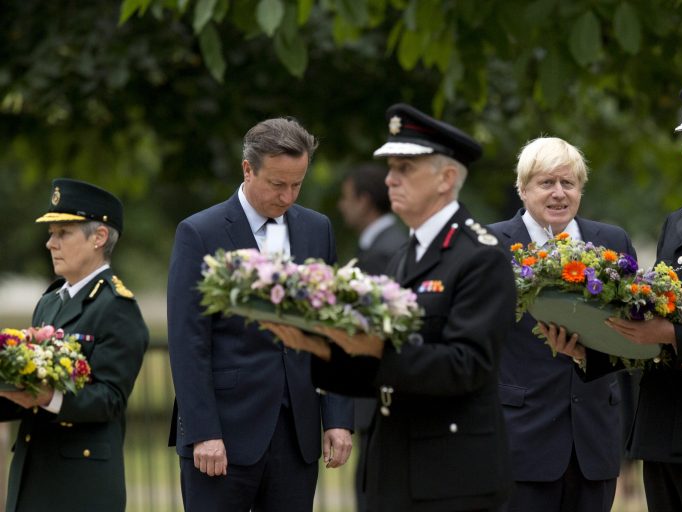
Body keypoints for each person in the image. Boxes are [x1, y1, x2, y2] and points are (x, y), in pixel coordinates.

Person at [263, 103, 516, 511]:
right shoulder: (406, 255)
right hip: (394, 468)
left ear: (447, 178)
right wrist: (320, 347)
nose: (389, 180)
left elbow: (467, 364)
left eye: (405, 168)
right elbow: (378, 370)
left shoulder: (480, 256)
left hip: (452, 477)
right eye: (390, 167)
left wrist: (377, 347)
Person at [548, 85, 682, 512]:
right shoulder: (679, 221)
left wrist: (671, 333)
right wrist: (586, 351)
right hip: (661, 423)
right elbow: (651, 321)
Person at [166, 117, 354, 512]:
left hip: (296, 433)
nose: (288, 196)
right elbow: (188, 341)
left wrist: (338, 417)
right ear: (247, 169)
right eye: (277, 184)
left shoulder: (317, 229)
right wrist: (204, 432)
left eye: (297, 184)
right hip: (224, 433)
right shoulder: (200, 232)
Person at [487, 137, 636, 512]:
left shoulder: (612, 242)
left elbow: (636, 338)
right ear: (522, 189)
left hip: (594, 443)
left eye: (568, 183)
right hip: (520, 440)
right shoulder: (489, 245)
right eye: (546, 183)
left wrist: (592, 356)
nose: (558, 194)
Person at [0, 178, 149, 511]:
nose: (50, 244)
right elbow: (27, 383)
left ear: (98, 238)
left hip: (80, 483)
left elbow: (111, 399)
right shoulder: (50, 302)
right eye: (51, 234)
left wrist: (50, 397)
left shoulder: (117, 307)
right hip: (33, 471)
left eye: (63, 233)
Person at [337, 162, 408, 511]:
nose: (341, 205)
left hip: (378, 395)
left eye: (346, 197)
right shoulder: (390, 242)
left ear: (364, 201)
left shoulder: (382, 251)